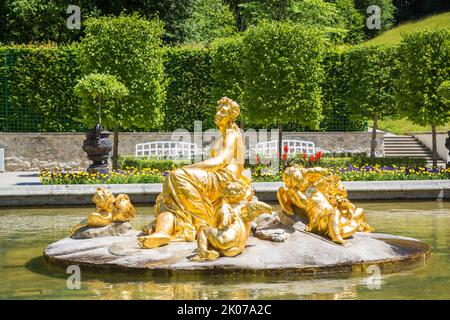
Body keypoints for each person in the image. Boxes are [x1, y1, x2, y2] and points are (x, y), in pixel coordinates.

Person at [138, 97, 250, 249]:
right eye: (218, 110)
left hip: (224, 179)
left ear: (231, 116)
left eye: (223, 112)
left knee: (177, 175)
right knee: (170, 195)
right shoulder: (223, 136)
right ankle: (163, 231)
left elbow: (220, 161)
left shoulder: (233, 134)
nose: (218, 114)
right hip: (217, 176)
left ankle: (200, 221)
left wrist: (190, 168)